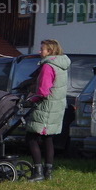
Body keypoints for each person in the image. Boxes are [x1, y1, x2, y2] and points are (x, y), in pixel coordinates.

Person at [25, 39, 70, 181]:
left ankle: (38, 172)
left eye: (42, 49)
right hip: (57, 106)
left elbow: (43, 91)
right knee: (48, 139)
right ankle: (48, 173)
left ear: (50, 51)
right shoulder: (62, 65)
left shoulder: (48, 66)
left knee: (31, 137)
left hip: (46, 106)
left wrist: (31, 100)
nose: (40, 51)